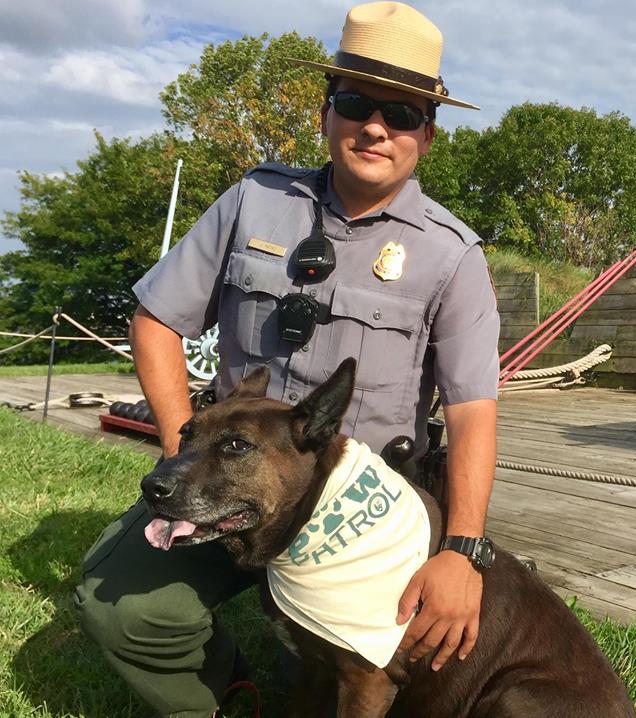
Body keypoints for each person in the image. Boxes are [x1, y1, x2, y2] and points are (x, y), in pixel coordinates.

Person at [74, 3, 500, 716]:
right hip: (232, 467)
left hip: (363, 510)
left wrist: (463, 549)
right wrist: (187, 451)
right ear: (327, 112)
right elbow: (155, 321)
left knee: (384, 666)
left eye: (401, 114)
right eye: (357, 103)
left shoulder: (451, 256)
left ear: (427, 133)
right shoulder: (253, 201)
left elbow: (472, 409)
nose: (375, 127)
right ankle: (228, 694)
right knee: (123, 608)